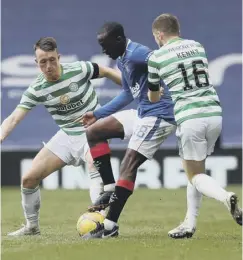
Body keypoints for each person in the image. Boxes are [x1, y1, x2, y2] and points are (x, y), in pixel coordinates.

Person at [0, 37, 122, 236]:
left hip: (93, 131)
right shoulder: (37, 88)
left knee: (94, 165)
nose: (48, 66)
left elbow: (106, 71)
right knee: (29, 179)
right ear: (36, 63)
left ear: (59, 57)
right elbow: (13, 118)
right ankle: (32, 227)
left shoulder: (79, 69)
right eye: (42, 62)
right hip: (67, 135)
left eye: (52, 60)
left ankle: (102, 224)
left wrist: (132, 88)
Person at [147, 13, 242, 238]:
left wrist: (158, 92)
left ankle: (225, 196)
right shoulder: (197, 46)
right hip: (214, 113)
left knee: (194, 175)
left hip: (190, 118)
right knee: (198, 171)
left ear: (159, 34)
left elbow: (153, 97)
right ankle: (189, 224)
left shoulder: (156, 57)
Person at [78, 22, 176, 239]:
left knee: (128, 163)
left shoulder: (137, 53)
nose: (104, 51)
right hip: (142, 112)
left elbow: (158, 60)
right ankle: (110, 188)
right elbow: (127, 93)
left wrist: (159, 84)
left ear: (120, 40)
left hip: (159, 115)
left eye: (105, 45)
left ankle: (110, 226)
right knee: (94, 132)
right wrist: (98, 114)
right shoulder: (122, 59)